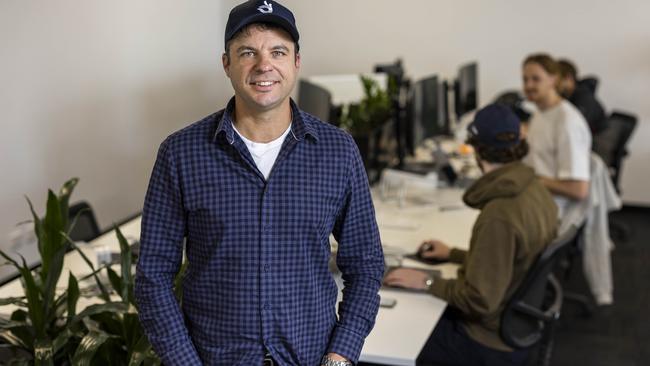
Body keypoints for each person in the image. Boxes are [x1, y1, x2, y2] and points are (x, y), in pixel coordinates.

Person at [134, 1, 384, 365]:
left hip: (311, 358)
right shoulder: (180, 153)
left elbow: (366, 264)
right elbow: (153, 276)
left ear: (296, 62)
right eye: (247, 52)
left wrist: (341, 355)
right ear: (227, 64)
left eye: (278, 52)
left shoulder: (337, 151)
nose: (263, 65)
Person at [384, 104, 558, 366]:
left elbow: (480, 301)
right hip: (516, 324)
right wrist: (452, 254)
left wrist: (427, 283)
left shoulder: (499, 215)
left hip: (485, 341)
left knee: (390, 335)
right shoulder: (534, 189)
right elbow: (509, 260)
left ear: (476, 149)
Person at [522, 53, 592, 219]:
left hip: (549, 210)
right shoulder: (541, 111)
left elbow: (578, 190)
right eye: (525, 79)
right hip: (533, 197)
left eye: (536, 79)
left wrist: (528, 179)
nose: (528, 85)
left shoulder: (568, 122)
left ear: (553, 80)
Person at [557, 59, 608, 135]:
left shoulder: (584, 98)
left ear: (569, 77)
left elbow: (574, 127)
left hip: (593, 142)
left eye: (557, 80)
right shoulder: (567, 97)